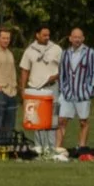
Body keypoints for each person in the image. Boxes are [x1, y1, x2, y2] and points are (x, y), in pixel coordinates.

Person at [19, 25, 63, 157]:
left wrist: (56, 76)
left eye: (48, 35)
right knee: (37, 118)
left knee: (52, 117)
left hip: (52, 87)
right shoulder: (29, 51)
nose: (47, 37)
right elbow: (25, 70)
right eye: (44, 35)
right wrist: (23, 88)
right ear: (37, 35)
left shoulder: (56, 49)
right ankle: (39, 146)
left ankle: (51, 146)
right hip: (35, 88)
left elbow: (64, 68)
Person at [59, 27, 94, 156]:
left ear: (83, 38)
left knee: (83, 121)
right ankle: (58, 148)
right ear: (70, 38)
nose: (77, 39)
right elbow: (62, 73)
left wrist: (89, 90)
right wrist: (63, 88)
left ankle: (82, 147)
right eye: (74, 37)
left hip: (83, 94)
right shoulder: (65, 53)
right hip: (67, 93)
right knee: (62, 120)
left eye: (79, 37)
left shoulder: (90, 53)